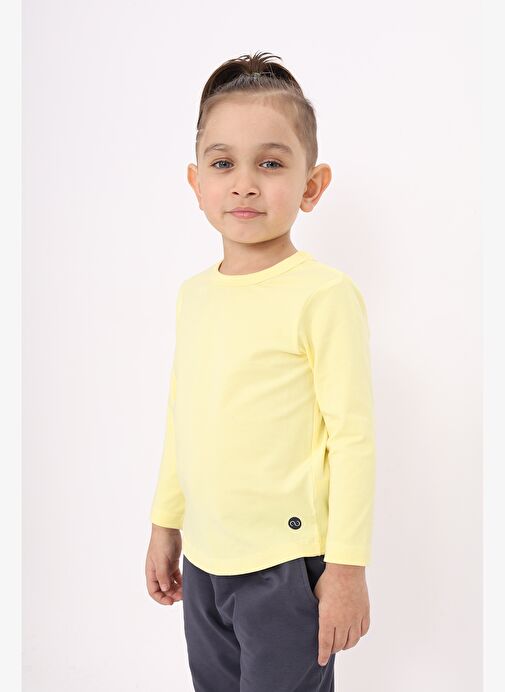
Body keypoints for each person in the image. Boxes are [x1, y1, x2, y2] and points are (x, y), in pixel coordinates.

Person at [145, 51, 377, 692]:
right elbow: (182, 415)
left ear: (312, 185)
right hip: (206, 560)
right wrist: (165, 521)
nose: (244, 183)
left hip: (285, 566)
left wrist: (347, 568)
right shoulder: (195, 295)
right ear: (197, 182)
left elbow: (352, 438)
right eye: (223, 164)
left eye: (270, 164)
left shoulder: (322, 295)